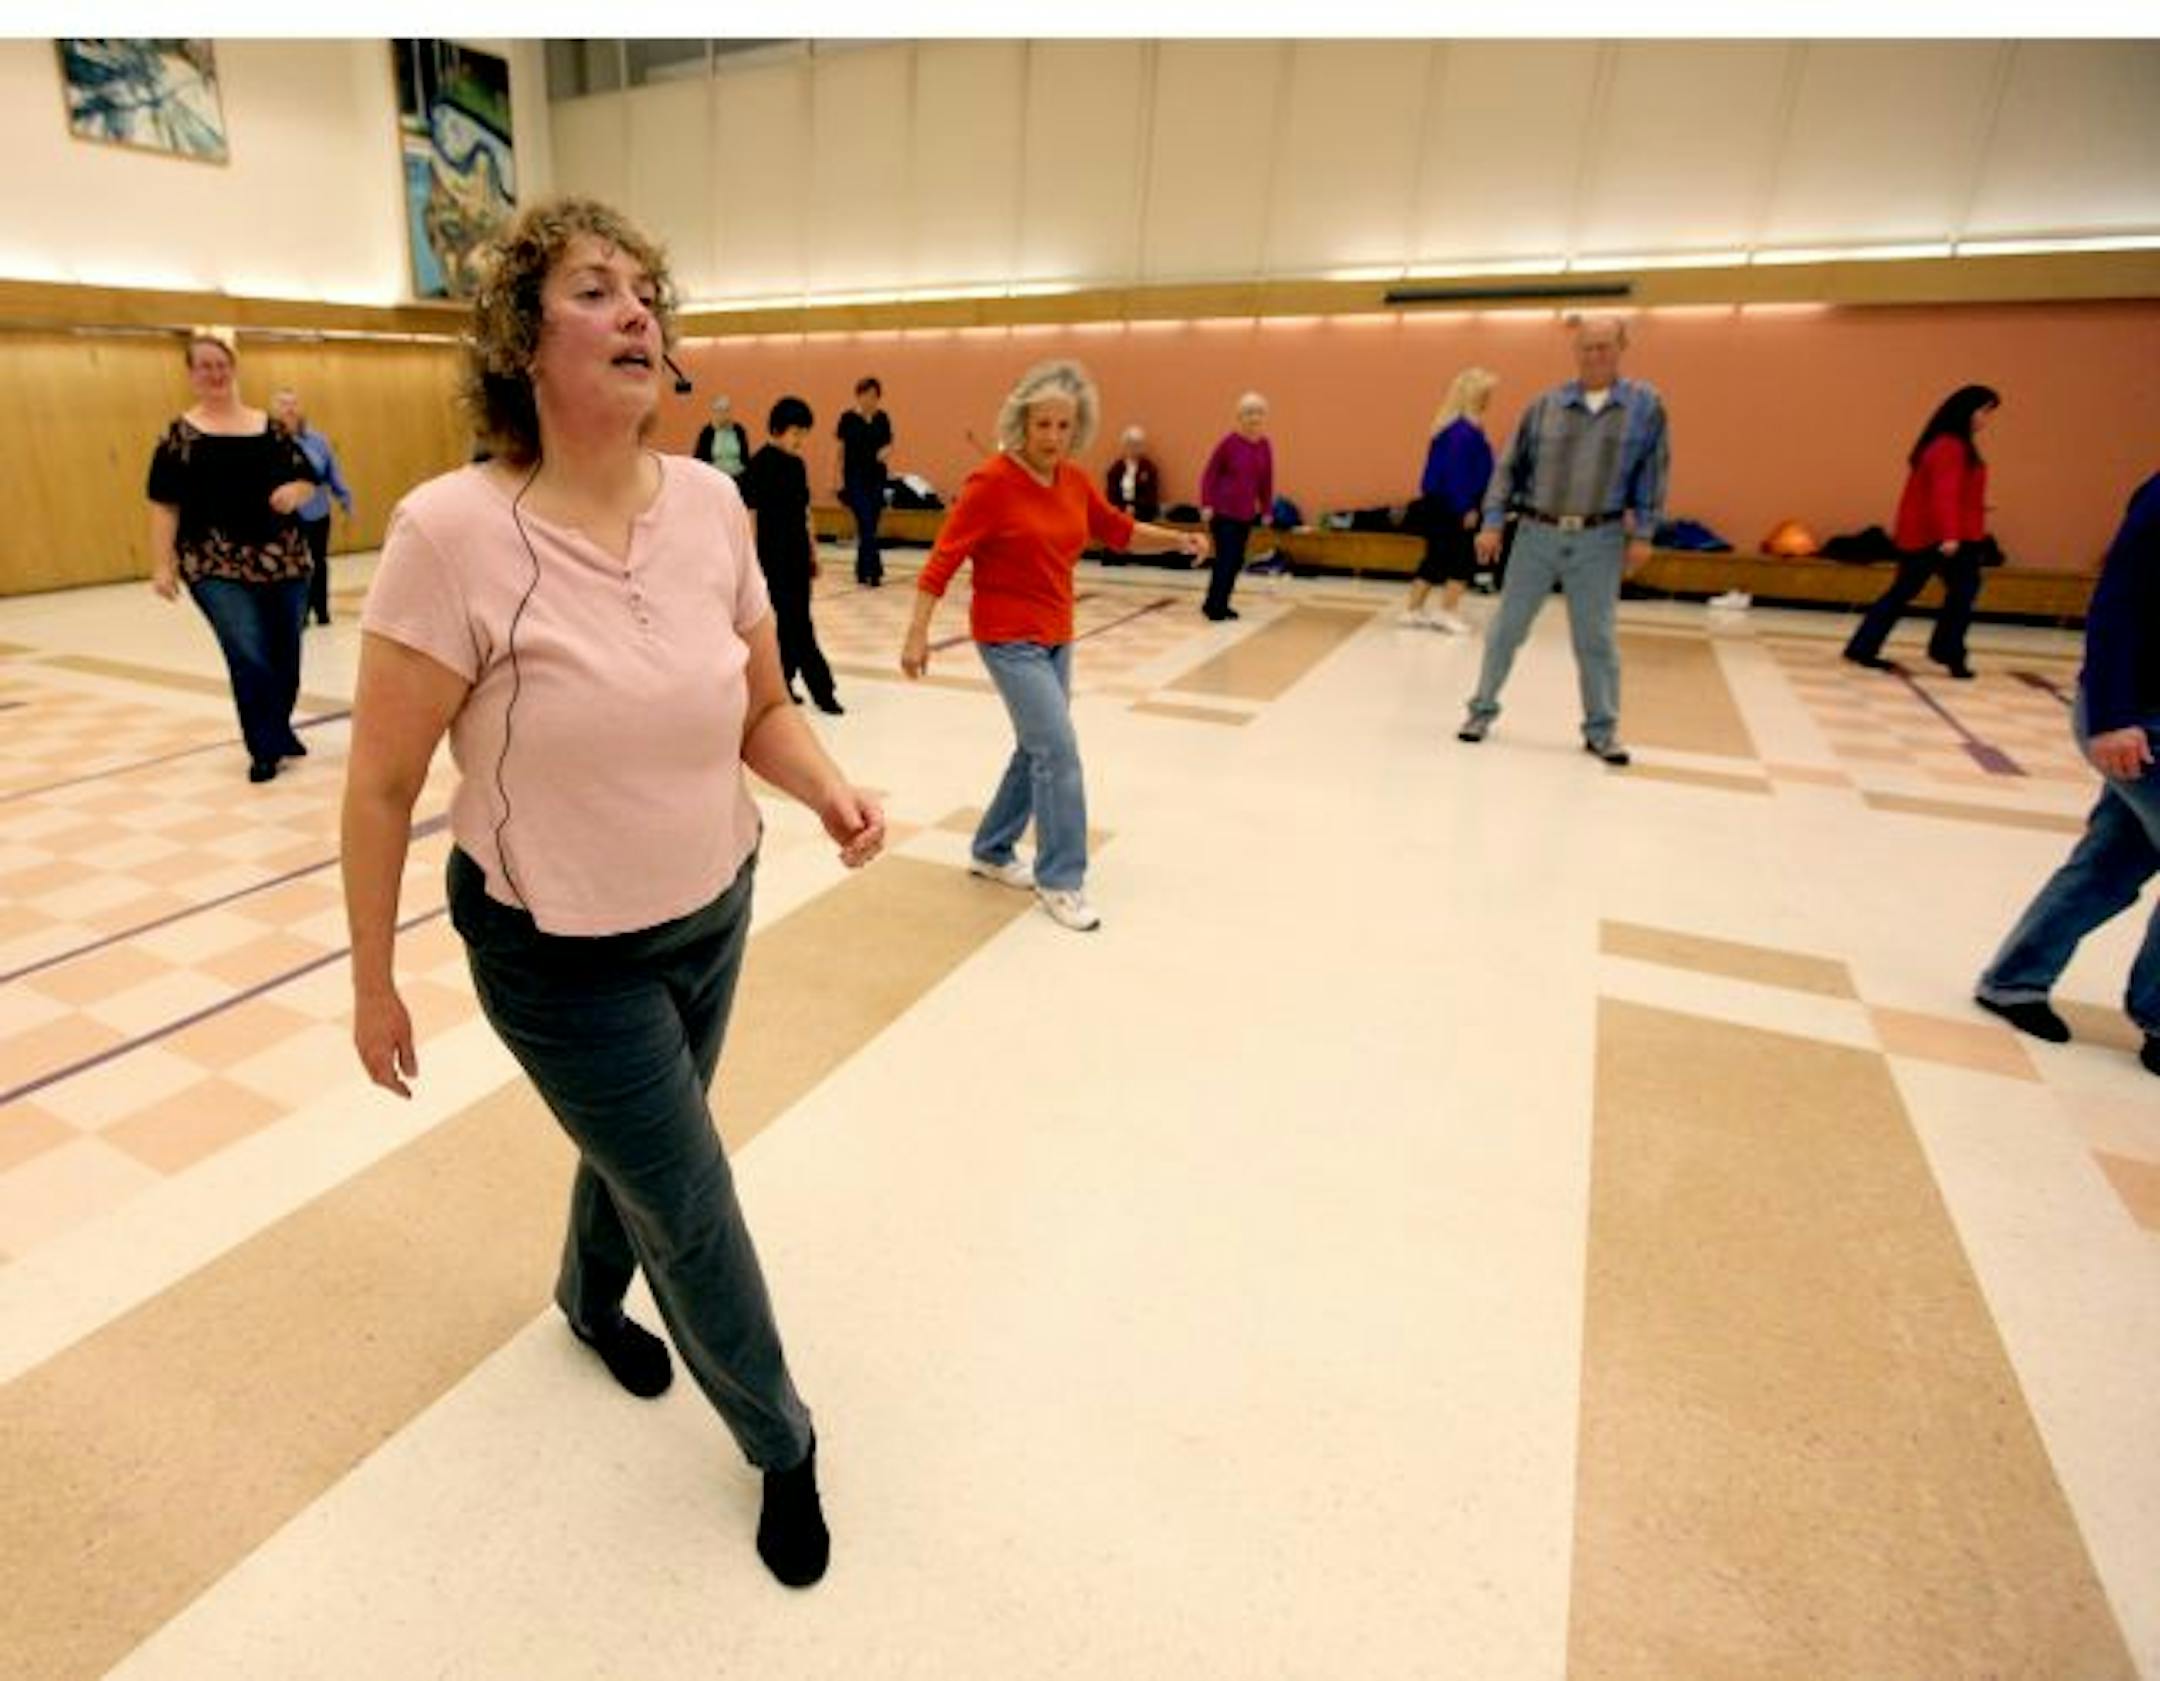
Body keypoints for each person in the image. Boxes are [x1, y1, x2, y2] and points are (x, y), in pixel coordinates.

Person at [342, 198, 886, 1589]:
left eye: (650, 291)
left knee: (645, 1149)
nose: (641, 310)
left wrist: (821, 784)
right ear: (527, 338)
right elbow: (385, 783)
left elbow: (760, 706)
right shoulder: (449, 533)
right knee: (691, 1196)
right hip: (554, 950)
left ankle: (586, 1300)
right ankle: (783, 1443)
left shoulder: (709, 503)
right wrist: (370, 977)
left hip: (716, 902)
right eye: (598, 289)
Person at [898, 360, 1209, 932]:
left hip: (1057, 635)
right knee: (1058, 752)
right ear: (1022, 423)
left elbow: (1119, 530)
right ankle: (1061, 878)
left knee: (1035, 747)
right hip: (1006, 637)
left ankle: (992, 849)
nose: (1052, 437)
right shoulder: (990, 483)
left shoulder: (1074, 481)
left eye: (1064, 426)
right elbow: (943, 560)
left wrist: (1179, 540)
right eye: (1042, 425)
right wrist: (917, 632)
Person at [1973, 471, 2160, 1079]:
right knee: (2110, 863)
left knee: (2111, 862)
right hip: (2137, 716)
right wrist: (2112, 715)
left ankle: (2012, 980)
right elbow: (2119, 599)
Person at [1456, 316, 1670, 767]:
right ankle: (1480, 711)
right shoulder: (1545, 406)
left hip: (1601, 536)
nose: (1595, 355)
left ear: (1621, 347)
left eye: (1604, 347)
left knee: (1596, 639)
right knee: (1506, 629)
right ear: (1576, 351)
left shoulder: (1645, 406)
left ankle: (1602, 730)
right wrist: (1492, 522)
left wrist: (1645, 533)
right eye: (1586, 347)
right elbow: (1508, 468)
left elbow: (1653, 473)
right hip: (1536, 532)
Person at [146, 333, 322, 783]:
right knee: (247, 650)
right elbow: (164, 504)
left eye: (220, 364)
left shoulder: (271, 428)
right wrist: (162, 564)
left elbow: (307, 478)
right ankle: (263, 746)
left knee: (285, 652)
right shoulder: (178, 437)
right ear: (191, 375)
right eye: (204, 366)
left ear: (233, 368)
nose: (214, 373)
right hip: (212, 562)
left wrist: (295, 491)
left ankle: (278, 727)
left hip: (283, 559)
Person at [1843, 384, 2002, 680]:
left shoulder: (1951, 444)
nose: (1986, 419)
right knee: (1958, 592)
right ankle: (1946, 650)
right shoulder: (1949, 446)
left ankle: (1866, 647)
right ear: (1966, 410)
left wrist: (1978, 505)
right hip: (1940, 536)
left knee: (1916, 591)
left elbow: (1951, 490)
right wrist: (1950, 534)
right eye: (1984, 411)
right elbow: (1943, 493)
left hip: (1939, 533)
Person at [740, 395, 841, 715]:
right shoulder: (759, 465)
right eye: (796, 433)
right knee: (796, 624)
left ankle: (783, 684)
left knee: (791, 624)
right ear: (778, 429)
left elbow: (805, 512)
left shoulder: (797, 466)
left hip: (797, 556)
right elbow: (749, 515)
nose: (800, 440)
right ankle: (823, 689)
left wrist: (814, 552)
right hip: (771, 559)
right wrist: (750, 561)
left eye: (804, 434)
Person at [1403, 367, 1498, 634]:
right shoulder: (1462, 432)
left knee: (1436, 558)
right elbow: (1457, 474)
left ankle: (1413, 610)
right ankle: (1447, 611)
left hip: (1440, 504)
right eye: (1486, 394)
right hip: (1453, 505)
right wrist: (1466, 507)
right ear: (1474, 396)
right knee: (1461, 559)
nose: (1489, 399)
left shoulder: (1454, 429)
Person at [271, 387, 355, 627]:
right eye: (283, 404)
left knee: (318, 560)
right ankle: (299, 612)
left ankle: (321, 609)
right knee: (293, 563)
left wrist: (344, 497)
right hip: (285, 515)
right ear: (274, 410)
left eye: (293, 403)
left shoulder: (318, 440)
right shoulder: (269, 442)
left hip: (317, 510)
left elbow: (332, 472)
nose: (289, 408)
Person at [1198, 393, 1274, 621]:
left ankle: (1218, 602)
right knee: (1226, 558)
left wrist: (1267, 508)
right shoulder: (1228, 443)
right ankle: (1215, 606)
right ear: (1239, 416)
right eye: (1249, 413)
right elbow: (1209, 475)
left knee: (1236, 560)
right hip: (1223, 512)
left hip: (1245, 513)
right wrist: (1207, 503)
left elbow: (1266, 481)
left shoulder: (1265, 446)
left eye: (1258, 412)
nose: (1254, 417)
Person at [836, 376, 892, 586]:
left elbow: (889, 443)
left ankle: (862, 570)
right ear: (858, 396)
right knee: (866, 521)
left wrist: (886, 452)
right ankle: (874, 571)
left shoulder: (883, 418)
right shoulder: (847, 418)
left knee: (869, 525)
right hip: (855, 478)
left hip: (877, 477)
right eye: (867, 395)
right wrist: (834, 479)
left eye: (875, 396)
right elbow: (840, 450)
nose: (871, 400)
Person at [1104, 424, 1162, 523]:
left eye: (1137, 444)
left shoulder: (1149, 468)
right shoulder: (1116, 469)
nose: (1134, 448)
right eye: (1130, 444)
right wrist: (1124, 508)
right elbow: (1111, 494)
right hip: (1120, 513)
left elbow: (1151, 495)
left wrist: (1135, 508)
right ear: (1124, 446)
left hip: (1144, 514)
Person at [694, 393, 750, 478]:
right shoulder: (707, 432)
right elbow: (700, 459)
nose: (724, 414)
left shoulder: (738, 430)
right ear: (714, 412)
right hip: (715, 477)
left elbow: (745, 458)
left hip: (738, 476)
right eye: (720, 410)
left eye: (727, 410)